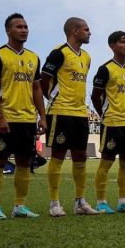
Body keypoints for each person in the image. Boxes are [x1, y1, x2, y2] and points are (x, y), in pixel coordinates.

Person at [0, 13, 46, 219]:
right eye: (19, 27)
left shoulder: (33, 58)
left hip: (28, 120)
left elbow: (37, 89)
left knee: (24, 162)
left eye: (26, 27)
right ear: (8, 30)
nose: (24, 30)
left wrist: (42, 116)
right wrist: (1, 117)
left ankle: (19, 206)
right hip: (7, 119)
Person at [41, 17, 98, 217]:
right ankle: (54, 203)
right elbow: (43, 80)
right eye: (86, 29)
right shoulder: (58, 53)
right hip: (60, 112)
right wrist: (54, 98)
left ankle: (80, 202)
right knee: (57, 156)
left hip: (80, 113)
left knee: (80, 157)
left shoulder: (87, 57)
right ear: (75, 31)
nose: (89, 33)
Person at [90, 30, 125, 214]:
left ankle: (123, 201)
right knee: (106, 161)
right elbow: (95, 96)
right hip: (112, 122)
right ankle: (101, 202)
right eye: (122, 42)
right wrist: (103, 114)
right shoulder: (105, 69)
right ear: (112, 45)